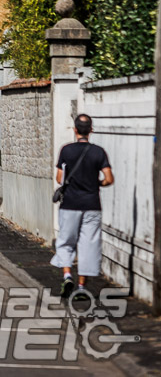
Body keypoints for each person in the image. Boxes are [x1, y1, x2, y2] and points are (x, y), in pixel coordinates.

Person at [51, 113, 114, 298]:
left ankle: (67, 275)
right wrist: (97, 184)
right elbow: (108, 178)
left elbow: (59, 178)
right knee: (89, 244)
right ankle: (81, 287)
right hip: (92, 204)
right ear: (91, 130)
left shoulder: (66, 150)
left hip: (70, 204)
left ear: (75, 129)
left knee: (66, 241)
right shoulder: (98, 152)